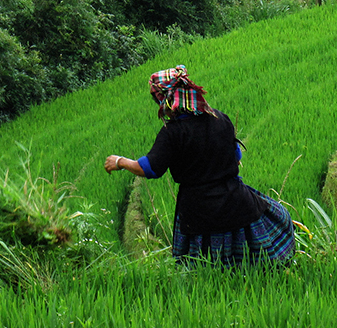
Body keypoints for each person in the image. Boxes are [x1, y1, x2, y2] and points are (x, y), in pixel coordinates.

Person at [104, 65, 295, 266]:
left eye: (157, 99)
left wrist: (120, 161)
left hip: (198, 212)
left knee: (205, 269)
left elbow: (150, 168)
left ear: (166, 100)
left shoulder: (172, 133)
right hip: (236, 202)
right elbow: (236, 155)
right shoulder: (220, 118)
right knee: (251, 265)